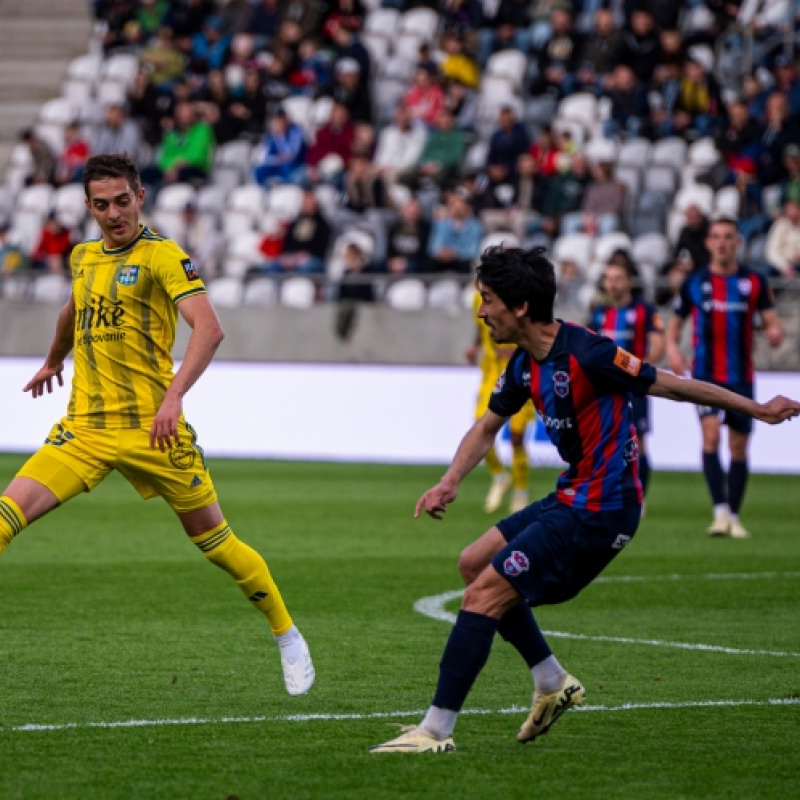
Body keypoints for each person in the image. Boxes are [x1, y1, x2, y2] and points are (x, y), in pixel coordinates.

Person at [369, 245, 799, 754]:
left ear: (522, 305)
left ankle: (436, 730)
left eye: (488, 300)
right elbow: (487, 427)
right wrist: (450, 480)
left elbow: (676, 388)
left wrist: (757, 408)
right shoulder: (525, 365)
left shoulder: (590, 353)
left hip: (602, 508)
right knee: (472, 563)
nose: (481, 311)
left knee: (482, 596)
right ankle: (552, 682)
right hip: (574, 494)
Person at [0, 153, 314, 697]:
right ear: (88, 206)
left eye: (123, 200)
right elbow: (75, 309)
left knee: (216, 543)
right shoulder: (83, 256)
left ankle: (286, 635)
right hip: (85, 429)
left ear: (139, 196)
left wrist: (173, 398)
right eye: (102, 204)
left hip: (154, 431)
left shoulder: (164, 256)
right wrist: (54, 358)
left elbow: (209, 329)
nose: (114, 213)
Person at [666, 217, 785, 538]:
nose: (721, 243)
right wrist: (674, 353)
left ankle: (734, 514)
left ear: (737, 242)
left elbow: (772, 321)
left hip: (741, 377)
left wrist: (774, 331)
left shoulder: (754, 282)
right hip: (704, 375)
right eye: (715, 237)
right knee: (710, 438)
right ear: (708, 243)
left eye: (728, 237)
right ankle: (719, 512)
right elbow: (674, 325)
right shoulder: (695, 281)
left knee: (738, 448)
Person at [589, 259, 665, 498]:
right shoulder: (599, 313)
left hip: (634, 388)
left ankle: (639, 498)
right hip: (603, 389)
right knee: (601, 442)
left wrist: (641, 369)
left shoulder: (645, 310)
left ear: (629, 282)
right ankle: (605, 493)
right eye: (608, 279)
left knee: (637, 442)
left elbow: (658, 345)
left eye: (617, 278)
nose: (612, 284)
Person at [465, 290, 534, 514]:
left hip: (519, 372)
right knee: (479, 428)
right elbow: (479, 326)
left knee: (516, 437)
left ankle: (521, 492)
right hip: (492, 373)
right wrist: (475, 346)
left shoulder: (520, 298)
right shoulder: (478, 299)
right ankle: (500, 476)